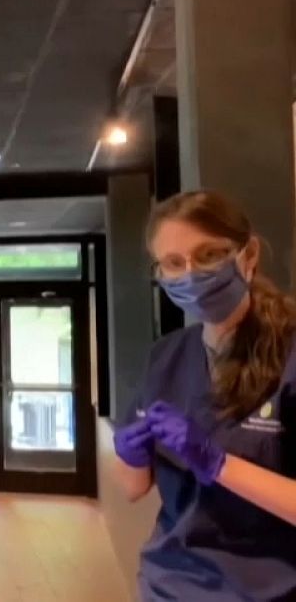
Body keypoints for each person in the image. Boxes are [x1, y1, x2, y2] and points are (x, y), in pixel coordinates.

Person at [111, 190, 296, 601]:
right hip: (170, 585)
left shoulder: (290, 353)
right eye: (174, 264)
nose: (191, 274)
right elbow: (133, 488)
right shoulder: (167, 355)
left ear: (247, 256)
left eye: (210, 255)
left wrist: (217, 464)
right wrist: (131, 455)